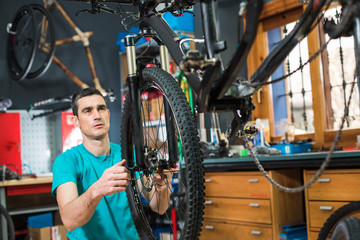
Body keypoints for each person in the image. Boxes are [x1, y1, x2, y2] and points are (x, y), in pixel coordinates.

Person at [52, 87, 173, 239]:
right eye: (88, 111)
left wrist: (162, 188)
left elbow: (159, 207)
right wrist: (97, 190)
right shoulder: (66, 162)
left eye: (101, 108)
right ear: (76, 121)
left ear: (108, 114)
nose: (97, 115)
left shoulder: (129, 155)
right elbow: (69, 221)